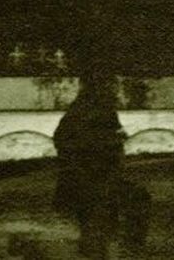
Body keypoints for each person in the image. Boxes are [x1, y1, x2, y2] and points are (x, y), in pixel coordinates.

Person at [53, 72, 126, 259]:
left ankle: (94, 250)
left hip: (97, 173)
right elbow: (64, 138)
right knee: (96, 219)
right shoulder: (89, 109)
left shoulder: (90, 108)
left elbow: (62, 138)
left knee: (96, 220)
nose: (115, 89)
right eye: (111, 85)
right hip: (91, 174)